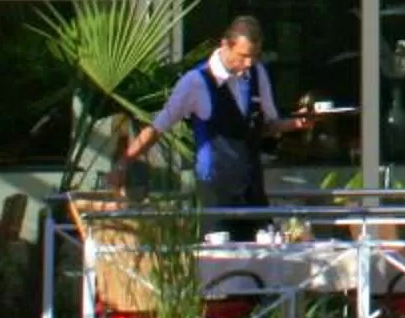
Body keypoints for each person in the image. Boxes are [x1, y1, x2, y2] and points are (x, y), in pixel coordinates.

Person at [121, 15, 309, 219]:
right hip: (215, 189)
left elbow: (268, 126)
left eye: (255, 56)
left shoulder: (257, 73)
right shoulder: (195, 82)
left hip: (252, 186)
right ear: (225, 45)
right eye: (243, 55)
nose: (248, 63)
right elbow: (158, 127)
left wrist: (297, 123)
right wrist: (124, 162)